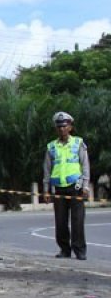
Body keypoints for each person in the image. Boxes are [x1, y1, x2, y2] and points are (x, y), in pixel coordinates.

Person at [42, 111, 90, 260]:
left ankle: (80, 251)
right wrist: (46, 190)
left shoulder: (78, 143)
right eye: (59, 126)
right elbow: (47, 170)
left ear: (70, 127)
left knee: (78, 221)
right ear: (56, 129)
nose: (62, 129)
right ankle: (64, 250)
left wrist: (85, 186)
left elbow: (85, 166)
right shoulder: (51, 147)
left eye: (65, 126)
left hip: (76, 187)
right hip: (58, 189)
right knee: (60, 222)